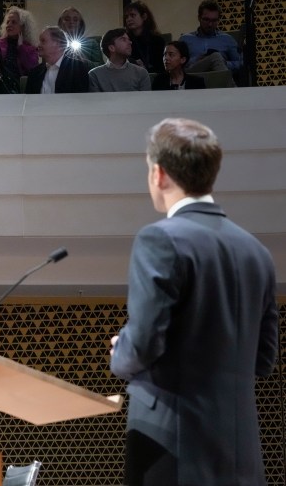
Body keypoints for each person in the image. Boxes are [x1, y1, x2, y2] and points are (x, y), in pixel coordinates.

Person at [110, 118, 278, 486]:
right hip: (242, 454)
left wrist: (120, 348)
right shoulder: (258, 253)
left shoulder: (159, 240)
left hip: (172, 447)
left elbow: (142, 345)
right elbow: (264, 360)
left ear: (159, 174)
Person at [180, 0, 242, 84]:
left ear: (218, 20)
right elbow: (177, 64)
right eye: (206, 20)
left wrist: (222, 63)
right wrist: (196, 60)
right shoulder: (186, 39)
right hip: (193, 77)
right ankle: (233, 93)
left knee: (216, 58)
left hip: (217, 77)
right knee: (215, 56)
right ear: (199, 18)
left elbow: (240, 63)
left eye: (214, 20)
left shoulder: (227, 39)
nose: (210, 24)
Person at [26, 26, 91, 94]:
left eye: (43, 41)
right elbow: (28, 101)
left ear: (58, 43)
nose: (38, 45)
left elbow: (80, 100)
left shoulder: (77, 68)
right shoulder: (34, 73)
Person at [0, 6, 38, 83]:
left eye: (13, 22)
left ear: (23, 27)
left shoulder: (30, 49)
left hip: (16, 86)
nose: (9, 25)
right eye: (7, 22)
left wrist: (21, 47)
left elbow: (32, 69)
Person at [123, 0, 166, 74]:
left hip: (153, 77)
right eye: (126, 17)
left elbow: (162, 67)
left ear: (144, 17)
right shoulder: (125, 40)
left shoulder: (157, 40)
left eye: (132, 15)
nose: (128, 19)